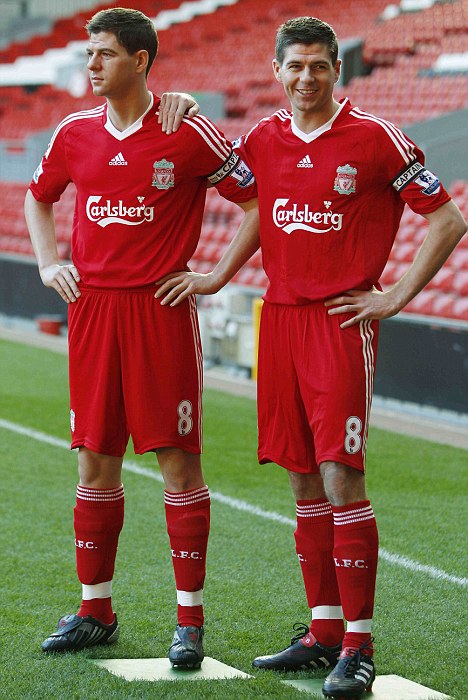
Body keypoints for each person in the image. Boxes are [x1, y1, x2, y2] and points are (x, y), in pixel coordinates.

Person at [155, 16, 467, 698]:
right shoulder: (264, 138)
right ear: (277, 71)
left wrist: (394, 298)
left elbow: (447, 219)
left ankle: (359, 645)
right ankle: (323, 631)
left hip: (339, 321)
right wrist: (172, 106)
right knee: (300, 478)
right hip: (281, 322)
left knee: (339, 476)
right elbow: (238, 190)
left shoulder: (377, 138)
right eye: (294, 66)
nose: (305, 78)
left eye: (318, 65)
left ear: (337, 68)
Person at [24, 7, 257, 668]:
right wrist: (48, 261)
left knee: (177, 461)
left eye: (103, 54)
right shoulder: (73, 132)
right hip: (93, 311)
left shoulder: (187, 130)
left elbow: (257, 201)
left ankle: (190, 620)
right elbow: (37, 198)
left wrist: (213, 277)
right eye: (88, 53)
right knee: (94, 459)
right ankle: (95, 609)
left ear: (141, 60)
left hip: (160, 311)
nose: (90, 64)